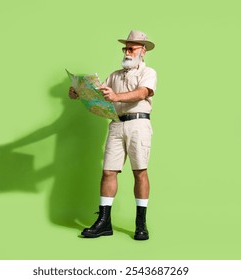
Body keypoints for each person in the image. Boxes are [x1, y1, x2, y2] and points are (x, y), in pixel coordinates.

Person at [68, 30, 157, 240]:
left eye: (132, 48)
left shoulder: (149, 72)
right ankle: (104, 222)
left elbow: (143, 92)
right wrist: (78, 92)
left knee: (140, 172)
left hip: (138, 124)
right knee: (108, 172)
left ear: (142, 51)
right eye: (125, 48)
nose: (127, 52)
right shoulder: (115, 75)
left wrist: (116, 96)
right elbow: (99, 93)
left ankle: (140, 223)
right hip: (116, 124)